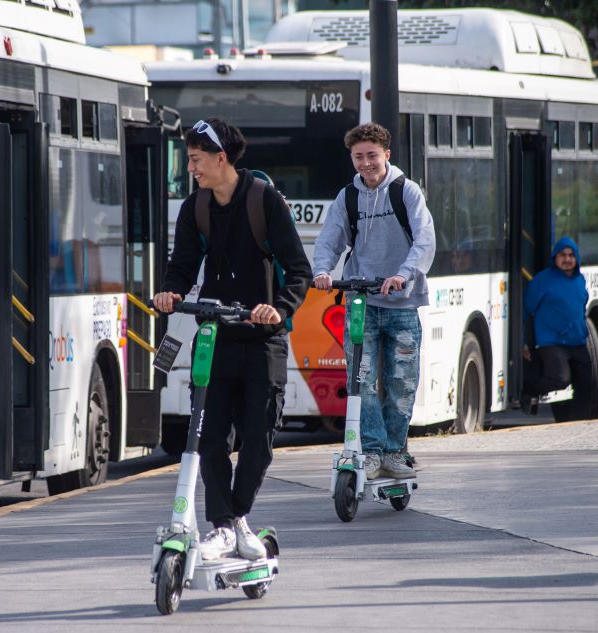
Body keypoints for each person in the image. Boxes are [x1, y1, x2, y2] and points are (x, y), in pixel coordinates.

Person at [153, 117, 311, 560]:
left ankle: (238, 516)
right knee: (210, 438)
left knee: (258, 442)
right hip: (215, 337)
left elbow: (297, 269)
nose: (192, 169)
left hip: (263, 340)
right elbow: (182, 264)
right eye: (190, 161)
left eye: (197, 160)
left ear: (221, 158)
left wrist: (278, 307)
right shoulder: (195, 207)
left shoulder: (265, 202)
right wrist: (171, 292)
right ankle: (224, 526)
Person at [312, 122, 436, 480]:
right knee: (360, 382)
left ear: (386, 155)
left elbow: (425, 240)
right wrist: (322, 270)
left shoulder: (406, 191)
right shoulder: (347, 197)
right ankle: (372, 451)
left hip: (403, 303)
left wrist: (404, 274)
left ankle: (396, 452)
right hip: (361, 303)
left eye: (371, 156)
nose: (365, 163)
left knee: (401, 384)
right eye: (358, 157)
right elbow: (330, 238)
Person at [521, 237, 594, 414]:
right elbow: (526, 309)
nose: (567, 259)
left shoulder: (580, 280)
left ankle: (578, 421)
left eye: (571, 255)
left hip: (576, 339)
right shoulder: (542, 280)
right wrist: (524, 341)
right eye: (562, 255)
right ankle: (529, 388)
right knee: (561, 379)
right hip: (551, 341)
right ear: (555, 257)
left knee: (587, 381)